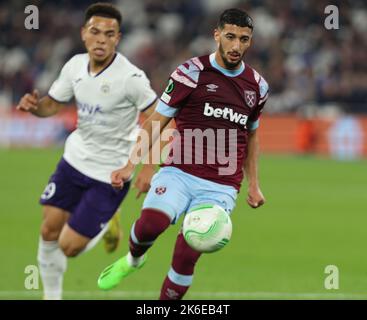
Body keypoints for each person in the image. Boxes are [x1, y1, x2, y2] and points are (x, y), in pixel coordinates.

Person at [97, 8, 268, 300]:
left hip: (222, 185)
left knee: (187, 254)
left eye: (244, 39)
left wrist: (253, 184)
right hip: (179, 171)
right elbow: (158, 120)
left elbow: (251, 135)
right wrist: (131, 165)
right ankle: (133, 260)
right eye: (230, 37)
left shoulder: (257, 87)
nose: (236, 46)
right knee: (151, 225)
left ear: (250, 41)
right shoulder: (191, 73)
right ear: (217, 35)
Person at [16, 3, 157, 300]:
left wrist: (148, 167)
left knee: (69, 247)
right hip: (74, 161)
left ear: (118, 38)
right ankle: (51, 297)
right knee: (48, 231)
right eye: (95, 32)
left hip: (111, 174)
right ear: (84, 34)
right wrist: (35, 107)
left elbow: (161, 121)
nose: (101, 40)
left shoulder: (131, 78)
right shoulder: (74, 66)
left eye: (109, 34)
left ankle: (108, 221)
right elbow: (53, 104)